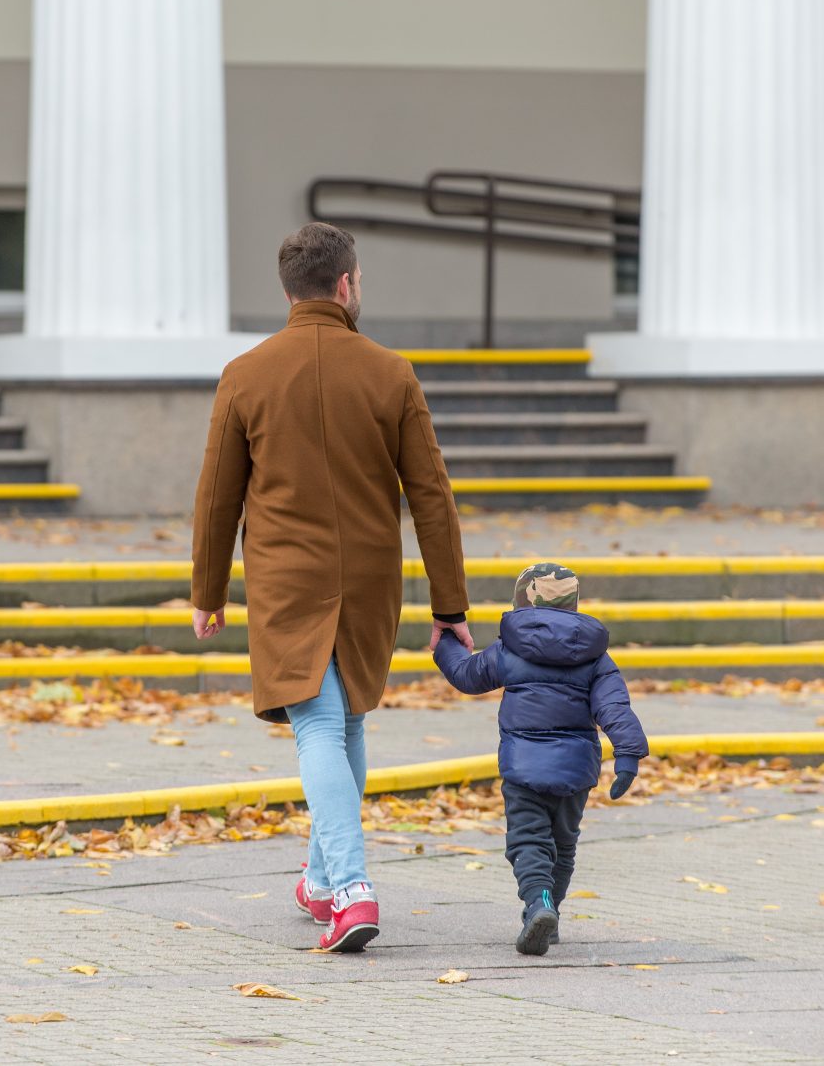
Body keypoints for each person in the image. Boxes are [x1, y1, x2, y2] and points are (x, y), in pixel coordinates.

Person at [190, 222, 472, 952]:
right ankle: (320, 881)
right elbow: (431, 495)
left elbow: (218, 495)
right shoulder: (392, 372)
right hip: (372, 579)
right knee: (343, 722)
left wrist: (207, 590)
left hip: (288, 579)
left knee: (320, 725)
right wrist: (451, 606)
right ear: (346, 285)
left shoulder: (245, 374)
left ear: (291, 289)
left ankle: (350, 888)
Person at [433, 561, 648, 956]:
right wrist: (628, 756)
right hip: (576, 771)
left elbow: (466, 675)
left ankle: (538, 905)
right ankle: (550, 917)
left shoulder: (509, 651)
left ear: (521, 600)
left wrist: (446, 641)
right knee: (563, 845)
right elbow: (616, 708)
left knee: (528, 840)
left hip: (524, 767)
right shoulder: (596, 658)